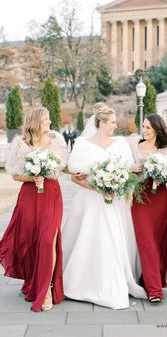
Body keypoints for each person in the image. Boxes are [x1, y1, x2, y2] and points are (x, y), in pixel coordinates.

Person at [62, 102, 146, 309]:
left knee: (114, 237)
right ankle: (83, 282)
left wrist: (126, 174)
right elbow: (74, 176)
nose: (115, 126)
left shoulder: (120, 143)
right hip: (90, 201)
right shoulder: (82, 144)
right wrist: (98, 188)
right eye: (112, 123)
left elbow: (127, 172)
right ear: (101, 123)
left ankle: (115, 280)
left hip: (114, 201)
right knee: (90, 237)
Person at [0, 107, 68, 312]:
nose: (49, 122)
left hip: (51, 195)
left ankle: (46, 289)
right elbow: (14, 174)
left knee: (48, 240)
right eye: (46, 119)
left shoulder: (57, 140)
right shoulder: (20, 144)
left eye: (49, 118)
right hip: (29, 196)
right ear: (35, 122)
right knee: (31, 240)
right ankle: (32, 281)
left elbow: (61, 167)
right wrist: (32, 177)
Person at [130, 114, 167, 303]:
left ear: (157, 128)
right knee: (146, 242)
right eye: (143, 127)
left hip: (160, 197)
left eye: (148, 127)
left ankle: (149, 280)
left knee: (157, 242)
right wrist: (132, 168)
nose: (144, 130)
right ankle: (155, 291)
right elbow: (126, 168)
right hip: (140, 196)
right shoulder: (135, 146)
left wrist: (164, 177)